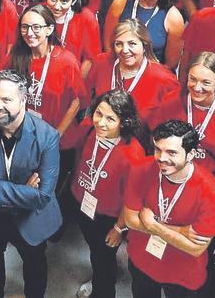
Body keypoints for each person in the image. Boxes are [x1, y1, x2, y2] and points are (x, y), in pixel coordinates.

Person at [0, 69, 62, 298]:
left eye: (6, 99)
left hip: (30, 218)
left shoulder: (47, 136)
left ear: (24, 100)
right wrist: (24, 191)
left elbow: (43, 197)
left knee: (35, 266)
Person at [121, 119, 215, 298]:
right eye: (157, 149)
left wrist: (154, 226)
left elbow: (196, 248)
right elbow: (130, 220)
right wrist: (181, 231)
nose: (161, 158)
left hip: (182, 274)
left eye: (171, 152)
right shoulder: (140, 169)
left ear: (191, 154)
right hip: (142, 259)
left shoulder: (211, 191)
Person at [69, 89, 148, 298]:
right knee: (97, 251)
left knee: (103, 259)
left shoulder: (133, 155)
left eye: (110, 119)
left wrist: (118, 229)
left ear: (124, 122)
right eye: (98, 114)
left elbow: (133, 201)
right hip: (84, 204)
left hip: (109, 218)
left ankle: (102, 289)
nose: (101, 123)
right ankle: (102, 274)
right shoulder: (89, 129)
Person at [149, 52, 215, 183]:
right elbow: (155, 140)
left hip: (206, 182)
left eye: (206, 82)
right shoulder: (171, 101)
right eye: (192, 79)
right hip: (168, 177)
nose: (197, 87)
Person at [11, 4, 85, 137]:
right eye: (25, 27)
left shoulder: (67, 62)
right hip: (24, 135)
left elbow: (76, 102)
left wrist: (57, 135)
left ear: (49, 29)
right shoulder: (15, 57)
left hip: (57, 139)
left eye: (36, 27)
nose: (29, 33)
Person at [86, 19, 179, 124]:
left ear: (144, 46)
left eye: (132, 43)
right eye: (119, 44)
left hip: (141, 138)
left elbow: (174, 123)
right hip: (101, 132)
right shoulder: (101, 63)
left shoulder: (164, 79)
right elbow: (86, 100)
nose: (125, 50)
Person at [44, 0, 102, 66]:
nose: (57, 6)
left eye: (64, 1)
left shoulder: (86, 18)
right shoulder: (37, 13)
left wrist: (76, 80)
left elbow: (90, 59)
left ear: (74, 0)